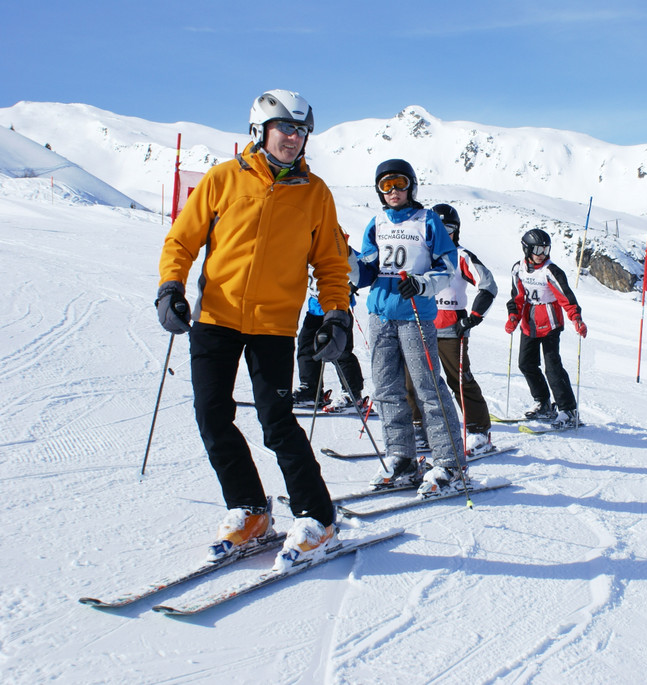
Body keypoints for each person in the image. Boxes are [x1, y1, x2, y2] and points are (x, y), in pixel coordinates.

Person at [156, 89, 352, 571]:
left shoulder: (316, 193)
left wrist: (336, 315)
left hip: (273, 325)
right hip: (215, 319)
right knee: (211, 415)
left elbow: (331, 263)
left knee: (276, 422)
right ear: (259, 130)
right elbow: (182, 240)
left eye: (301, 130)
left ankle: (318, 517)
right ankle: (249, 509)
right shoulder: (223, 178)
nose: (294, 137)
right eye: (285, 127)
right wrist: (170, 287)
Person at [354, 159, 467, 497]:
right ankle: (401, 457)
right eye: (386, 185)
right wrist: (346, 261)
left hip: (415, 312)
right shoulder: (376, 223)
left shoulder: (428, 220)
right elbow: (367, 270)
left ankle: (450, 462)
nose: (393, 191)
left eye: (399, 183)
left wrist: (422, 283)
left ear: (411, 186)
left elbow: (447, 266)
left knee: (427, 386)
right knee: (386, 388)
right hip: (380, 314)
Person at [404, 202, 498, 455]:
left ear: (456, 230)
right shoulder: (420, 254)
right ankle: (419, 428)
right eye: (438, 228)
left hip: (451, 329)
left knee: (459, 380)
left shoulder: (461, 255)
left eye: (449, 229)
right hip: (419, 325)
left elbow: (488, 285)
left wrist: (473, 317)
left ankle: (478, 431)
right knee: (413, 379)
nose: (444, 234)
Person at [505, 228, 587, 427]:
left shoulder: (551, 271)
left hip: (550, 322)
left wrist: (576, 317)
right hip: (529, 323)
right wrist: (513, 315)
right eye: (538, 250)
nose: (542, 254)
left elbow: (566, 296)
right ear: (527, 249)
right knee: (526, 364)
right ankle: (543, 403)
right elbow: (517, 296)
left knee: (553, 368)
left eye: (546, 250)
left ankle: (568, 410)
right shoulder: (518, 269)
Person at [294, 265, 369, 414]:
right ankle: (310, 390)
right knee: (306, 346)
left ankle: (352, 394)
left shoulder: (341, 252)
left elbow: (361, 268)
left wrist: (352, 285)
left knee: (340, 351)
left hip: (338, 309)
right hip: (315, 309)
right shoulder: (308, 254)